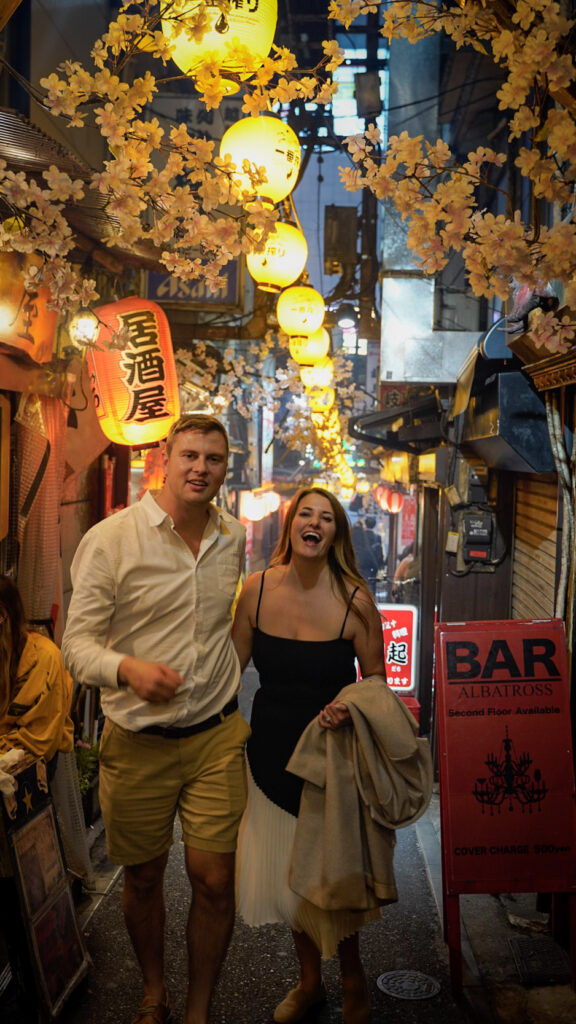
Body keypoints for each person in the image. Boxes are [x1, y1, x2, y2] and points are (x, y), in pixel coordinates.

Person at [62, 413, 249, 1024]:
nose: (201, 469)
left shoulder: (234, 537)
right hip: (137, 741)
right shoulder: (111, 539)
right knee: (142, 878)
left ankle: (197, 1009)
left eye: (213, 460)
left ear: (227, 468)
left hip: (216, 736)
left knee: (215, 878)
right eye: (190, 456)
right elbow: (76, 645)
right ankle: (153, 991)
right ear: (165, 458)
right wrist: (126, 669)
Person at [231, 487, 388, 1024]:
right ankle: (309, 982)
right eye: (306, 514)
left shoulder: (355, 600)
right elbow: (228, 672)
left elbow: (375, 685)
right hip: (270, 752)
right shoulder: (254, 590)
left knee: (333, 877)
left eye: (326, 518)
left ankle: (354, 982)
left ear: (336, 535)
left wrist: (350, 707)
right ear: (290, 524)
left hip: (330, 759)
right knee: (290, 877)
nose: (314, 523)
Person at [0, 574, 74, 1021]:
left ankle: (37, 982)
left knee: (23, 884)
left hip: (28, 770)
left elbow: (36, 739)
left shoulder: (41, 656)